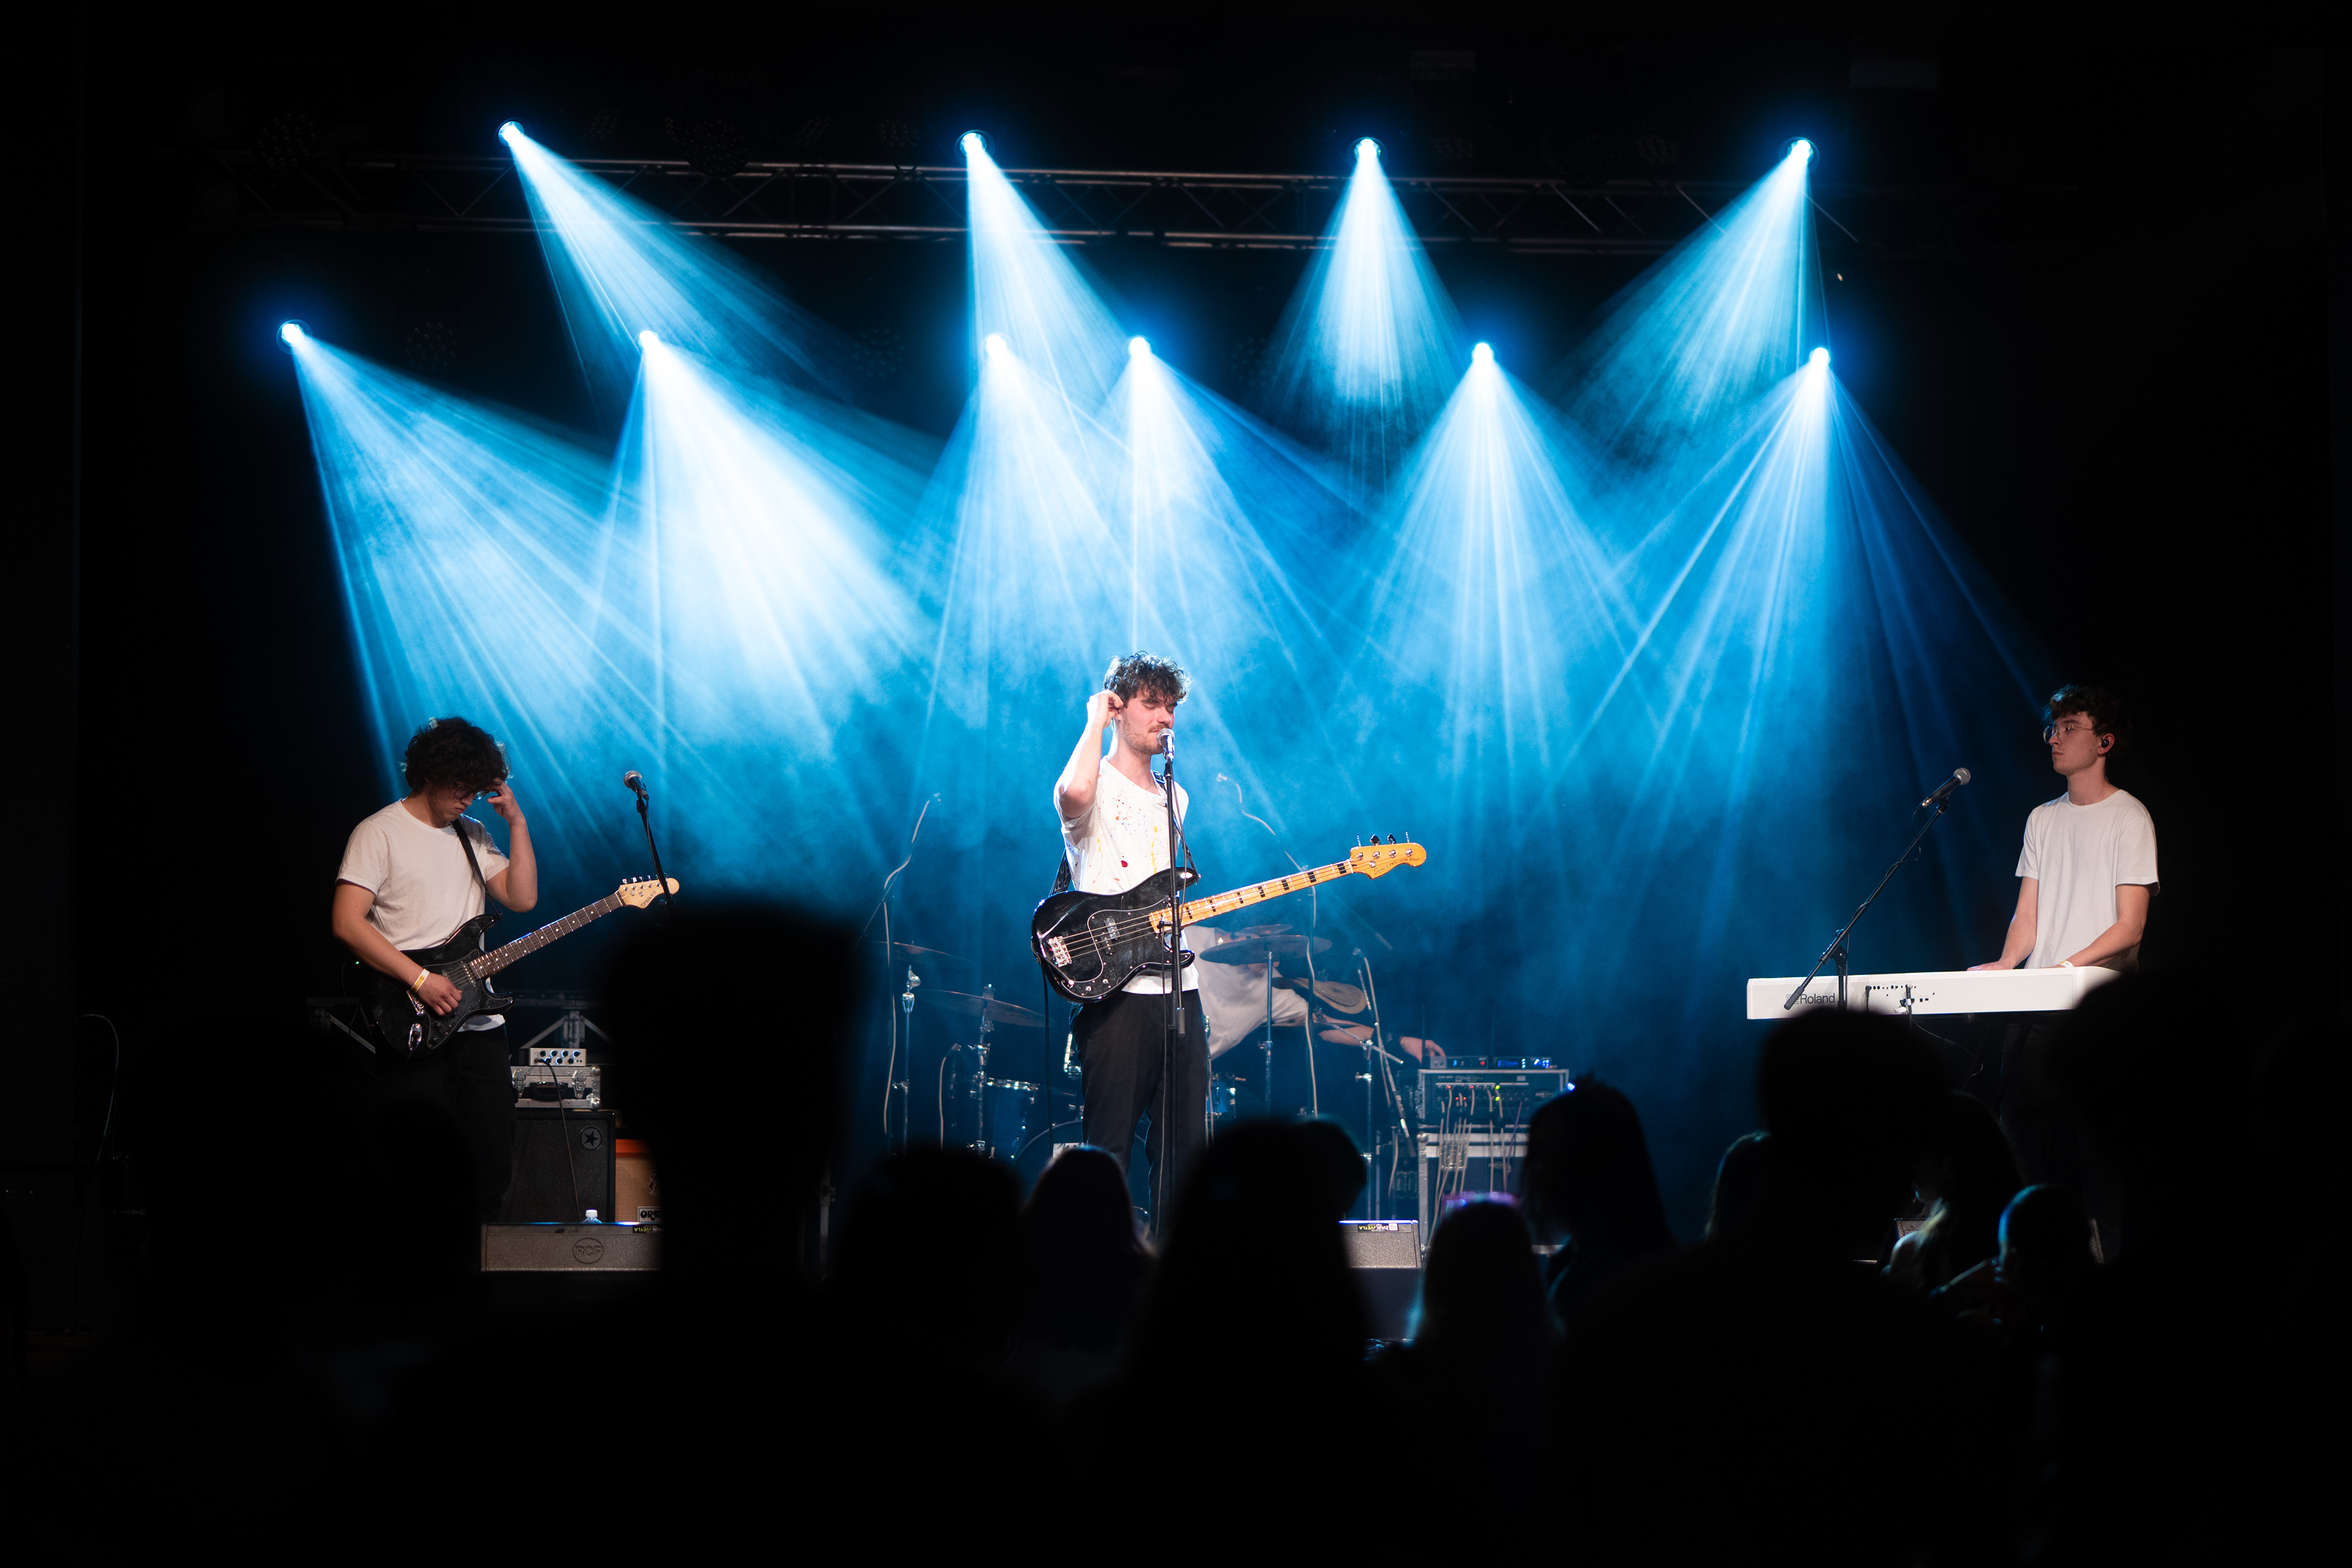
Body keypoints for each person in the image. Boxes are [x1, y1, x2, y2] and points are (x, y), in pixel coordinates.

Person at [330, 717, 537, 1220]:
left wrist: (517, 824)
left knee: (491, 1163)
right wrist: (420, 978)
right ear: (431, 773)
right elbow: (346, 922)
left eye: (476, 790)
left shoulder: (474, 834)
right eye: (460, 786)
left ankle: (478, 1264)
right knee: (418, 1172)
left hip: (480, 1025)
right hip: (413, 1018)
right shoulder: (379, 832)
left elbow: (522, 898)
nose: (467, 799)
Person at [1967, 685, 2159, 1221]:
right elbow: (2026, 917)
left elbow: (2130, 928)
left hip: (2101, 1014)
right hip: (2036, 1011)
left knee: (2099, 1158)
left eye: (2070, 727)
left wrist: (2068, 967)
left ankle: (2102, 1264)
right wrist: (2008, 963)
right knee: (2020, 1148)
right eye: (2053, 728)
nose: (2055, 738)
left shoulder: (2130, 817)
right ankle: (2022, 1256)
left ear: (2104, 742)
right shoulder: (2042, 818)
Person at [1052, 652, 1207, 1228]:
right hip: (1116, 995)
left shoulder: (1176, 797)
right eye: (1151, 704)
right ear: (1120, 708)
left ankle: (1174, 1272)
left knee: (1184, 1155)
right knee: (1107, 1153)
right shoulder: (1092, 781)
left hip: (1179, 991)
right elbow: (1072, 795)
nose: (1165, 717)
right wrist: (1095, 718)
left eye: (1171, 706)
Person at [1519, 1081, 1678, 1326]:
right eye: (1538, 1152)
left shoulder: (1602, 1283)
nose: (1537, 1170)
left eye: (1553, 1153)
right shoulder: (1574, 1265)